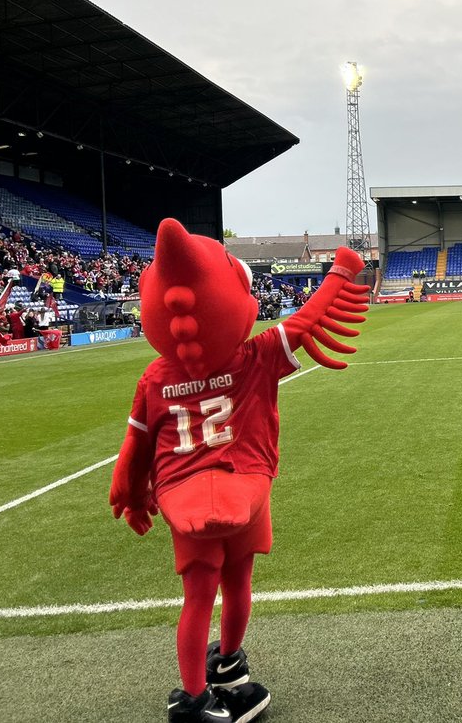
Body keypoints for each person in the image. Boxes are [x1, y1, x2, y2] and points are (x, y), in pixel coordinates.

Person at [109, 219, 370, 723]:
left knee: (197, 597)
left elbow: (136, 446)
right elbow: (311, 318)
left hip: (182, 499)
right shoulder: (255, 355)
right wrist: (341, 271)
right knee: (239, 582)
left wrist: (132, 494)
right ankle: (225, 666)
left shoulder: (156, 376)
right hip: (246, 485)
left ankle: (194, 695)